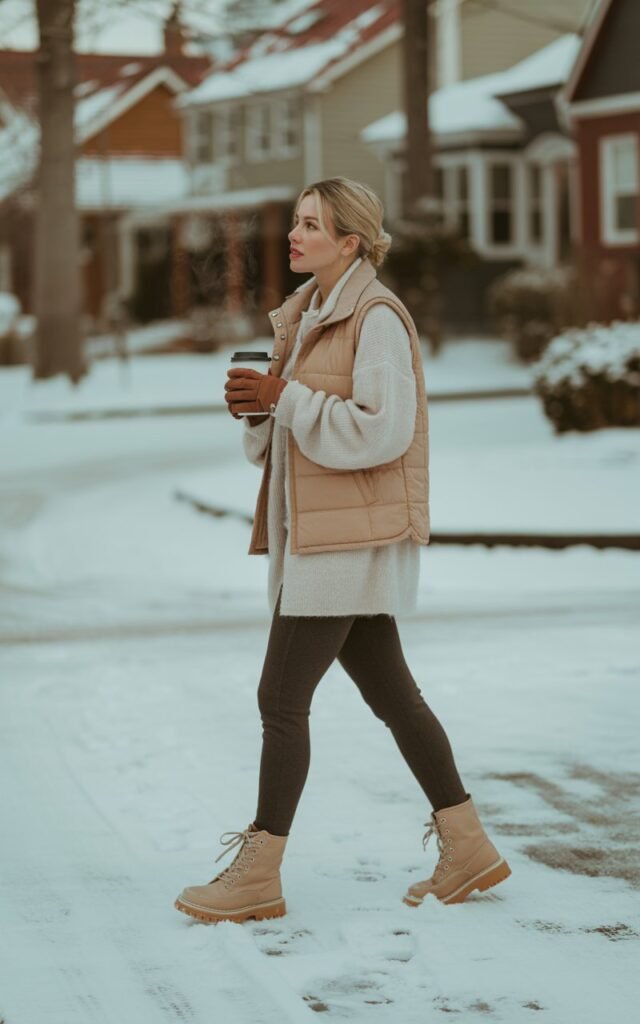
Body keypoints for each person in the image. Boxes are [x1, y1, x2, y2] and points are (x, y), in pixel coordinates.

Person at [174, 177, 511, 924]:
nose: (294, 236)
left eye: (311, 225)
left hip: (345, 543)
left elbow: (383, 430)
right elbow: (290, 434)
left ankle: (259, 875)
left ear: (351, 241)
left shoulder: (376, 318)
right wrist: (259, 410)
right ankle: (469, 845)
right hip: (324, 538)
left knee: (280, 699)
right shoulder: (309, 315)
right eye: (295, 222)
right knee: (394, 696)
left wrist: (284, 399)